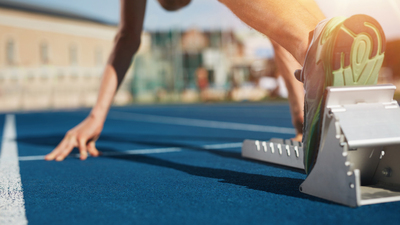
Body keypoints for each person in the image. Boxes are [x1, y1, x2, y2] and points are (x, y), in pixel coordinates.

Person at [45, 0, 386, 174]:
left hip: (313, 52)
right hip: (313, 48)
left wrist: (97, 115)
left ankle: (319, 47)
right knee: (295, 24)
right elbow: (276, 34)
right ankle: (328, 38)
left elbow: (127, 36)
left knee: (311, 42)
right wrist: (302, 120)